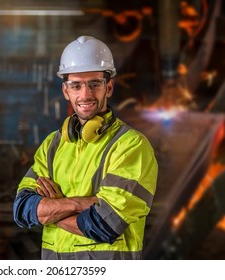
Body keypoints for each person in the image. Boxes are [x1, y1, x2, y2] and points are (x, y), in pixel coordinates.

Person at [12, 35, 158, 260]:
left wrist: (52, 208)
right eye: (76, 85)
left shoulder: (130, 146)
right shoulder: (53, 145)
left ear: (108, 87)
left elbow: (104, 224)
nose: (85, 95)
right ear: (65, 91)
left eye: (94, 84)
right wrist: (79, 203)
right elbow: (22, 209)